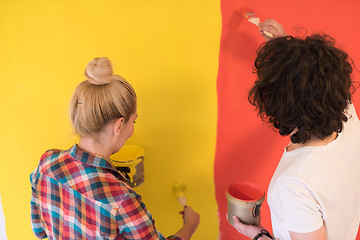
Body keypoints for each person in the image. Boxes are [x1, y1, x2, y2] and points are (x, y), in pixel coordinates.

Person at [30, 57, 200, 239]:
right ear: (119, 125)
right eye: (133, 121)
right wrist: (190, 225)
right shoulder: (122, 199)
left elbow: (39, 230)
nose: (132, 128)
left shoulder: (46, 164)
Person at [232, 19, 360, 239]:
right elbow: (316, 79)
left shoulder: (293, 185)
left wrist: (259, 236)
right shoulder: (346, 114)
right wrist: (285, 50)